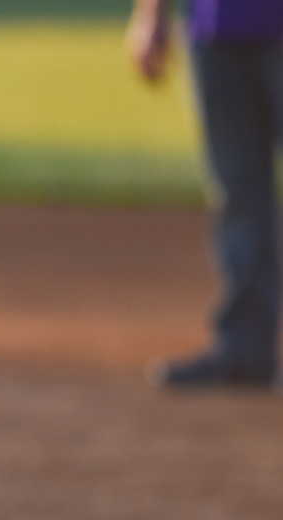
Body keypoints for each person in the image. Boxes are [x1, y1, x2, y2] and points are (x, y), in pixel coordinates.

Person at [126, 0, 283, 388]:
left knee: (239, 193)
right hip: (217, 27)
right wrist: (152, 14)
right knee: (236, 193)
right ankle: (245, 349)